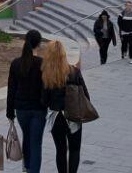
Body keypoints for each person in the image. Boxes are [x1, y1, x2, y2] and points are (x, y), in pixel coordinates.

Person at [42, 40, 89, 173]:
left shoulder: (46, 75)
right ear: (64, 54)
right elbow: (86, 95)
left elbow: (44, 100)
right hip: (73, 114)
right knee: (75, 149)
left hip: (56, 116)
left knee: (60, 151)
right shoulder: (74, 71)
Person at [6, 30, 46, 173]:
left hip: (21, 109)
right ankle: (32, 170)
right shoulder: (42, 64)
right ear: (39, 44)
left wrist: (9, 111)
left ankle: (27, 168)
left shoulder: (16, 63)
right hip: (38, 109)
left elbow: (11, 89)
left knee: (27, 139)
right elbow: (45, 88)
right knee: (36, 143)